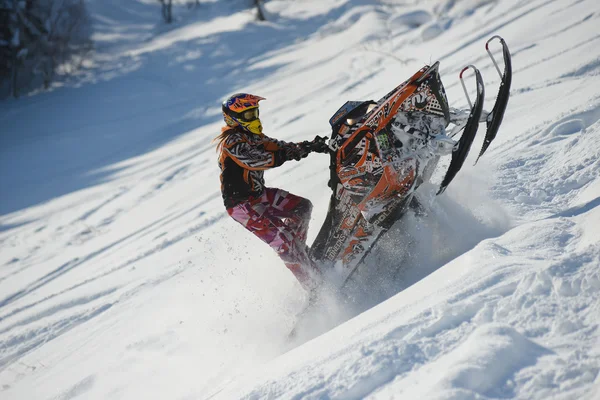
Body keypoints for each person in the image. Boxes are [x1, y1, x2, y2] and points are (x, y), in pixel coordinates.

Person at [215, 93, 329, 295]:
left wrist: (307, 146)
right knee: (284, 243)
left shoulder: (253, 137)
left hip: (259, 195)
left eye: (255, 113)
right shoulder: (232, 142)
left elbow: (278, 146)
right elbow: (257, 160)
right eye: (249, 115)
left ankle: (300, 253)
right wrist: (285, 155)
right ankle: (315, 288)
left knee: (302, 207)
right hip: (242, 206)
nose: (254, 118)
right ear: (234, 119)